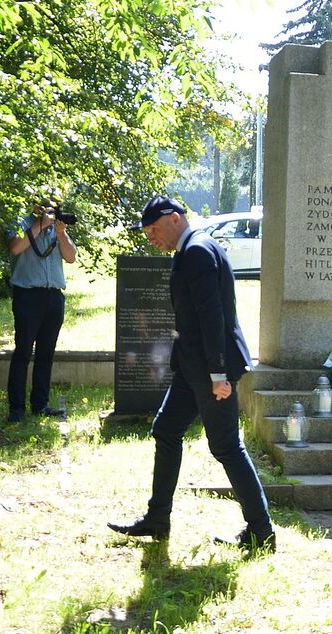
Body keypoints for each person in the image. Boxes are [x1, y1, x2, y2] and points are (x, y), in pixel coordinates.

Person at [108, 196, 275, 551]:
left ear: (174, 219)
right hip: (191, 366)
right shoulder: (193, 248)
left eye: (154, 229)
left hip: (210, 368)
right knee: (166, 430)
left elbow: (212, 316)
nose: (152, 237)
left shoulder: (198, 249)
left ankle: (262, 532)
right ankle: (158, 519)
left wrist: (218, 374)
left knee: (227, 446)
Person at [5, 190, 77, 423]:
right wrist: (39, 224)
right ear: (36, 206)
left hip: (53, 297)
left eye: (54, 207)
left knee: (46, 354)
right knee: (23, 352)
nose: (51, 210)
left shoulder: (57, 229)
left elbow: (71, 257)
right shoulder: (21, 223)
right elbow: (15, 248)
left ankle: (40, 405)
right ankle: (16, 410)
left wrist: (61, 233)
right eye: (47, 206)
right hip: (28, 295)